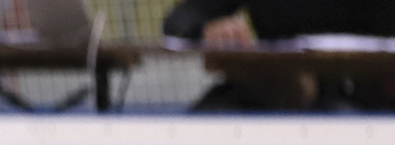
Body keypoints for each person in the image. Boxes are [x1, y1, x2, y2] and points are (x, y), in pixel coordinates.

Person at [163, 0, 395, 110]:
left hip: (367, 96)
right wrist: (207, 30)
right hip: (277, 91)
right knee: (211, 118)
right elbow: (182, 19)